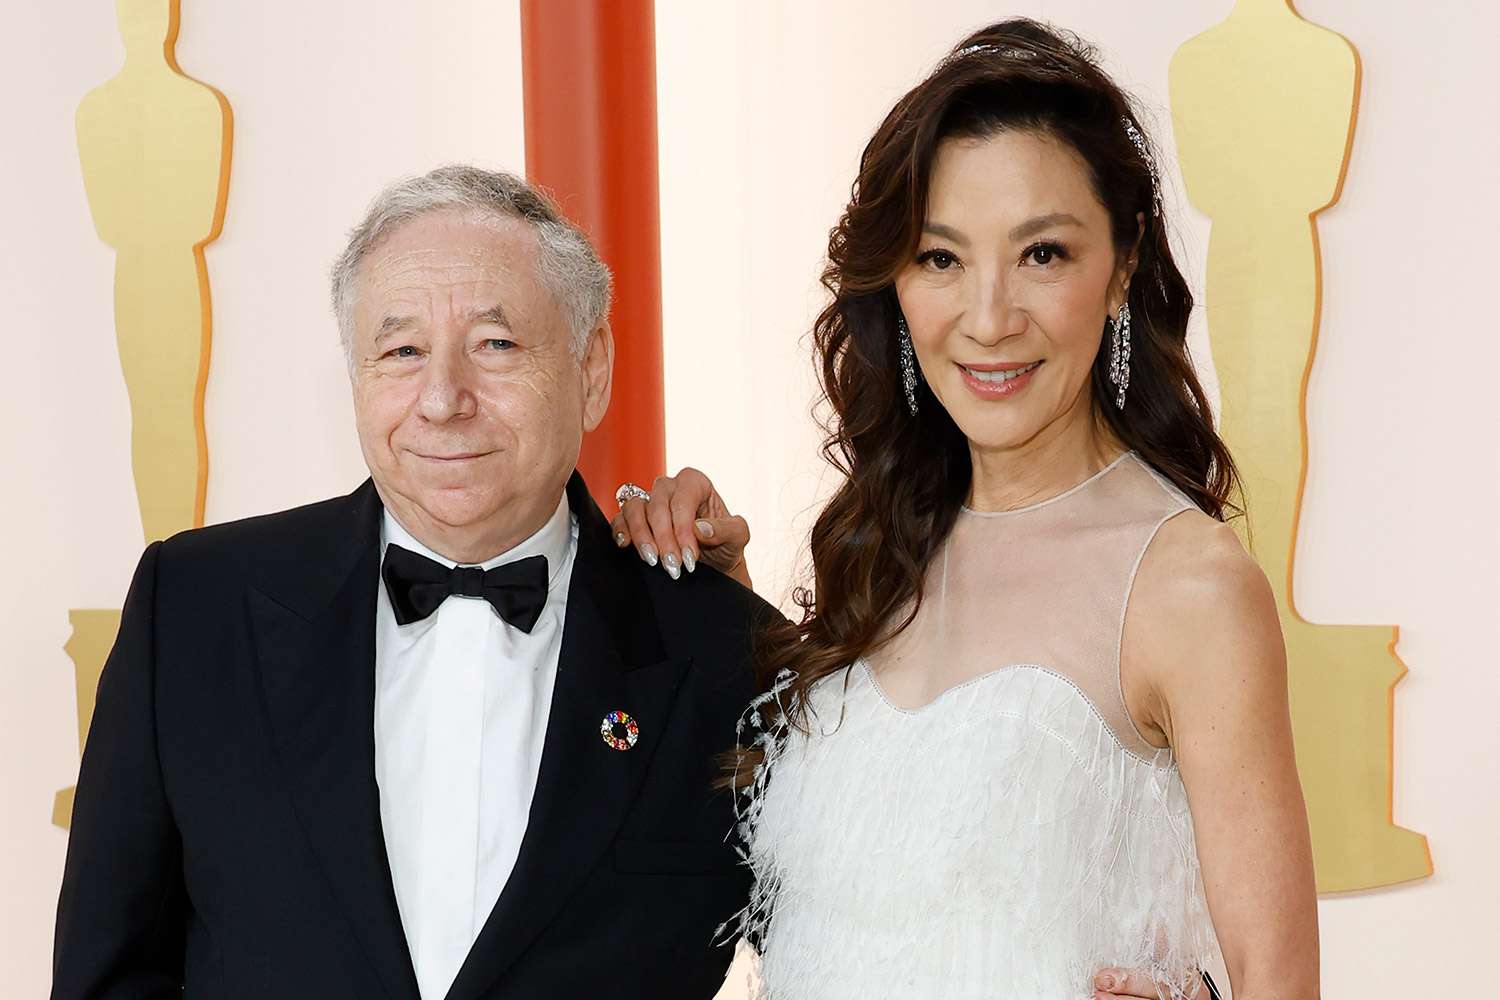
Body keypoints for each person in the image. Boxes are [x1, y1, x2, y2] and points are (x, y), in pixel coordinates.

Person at [612, 19, 1319, 1000]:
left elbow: (1280, 982)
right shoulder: (879, 552)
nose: (988, 317)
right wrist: (715, 603)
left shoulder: (1188, 589)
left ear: (1121, 266)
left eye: (1042, 253)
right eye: (941, 258)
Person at [51, 166, 772, 1000]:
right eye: (400, 351)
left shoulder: (726, 653)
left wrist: (734, 616)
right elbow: (107, 977)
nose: (442, 399)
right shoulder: (194, 609)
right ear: (355, 377)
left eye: (495, 345)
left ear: (592, 367)